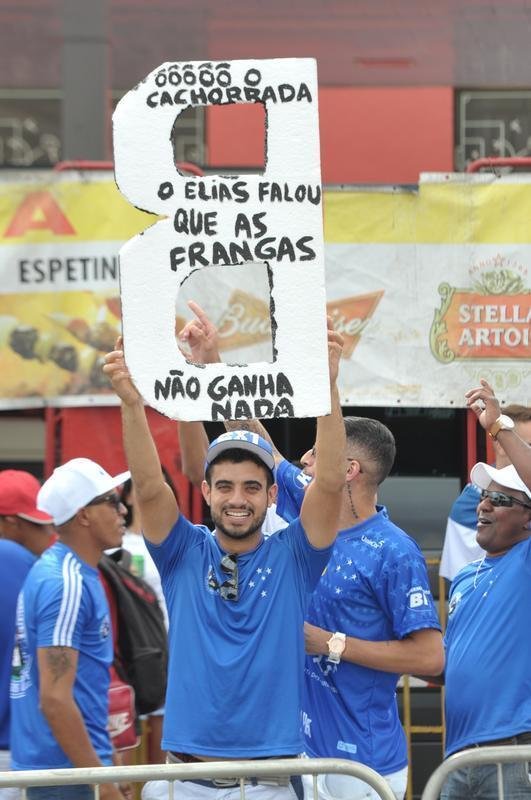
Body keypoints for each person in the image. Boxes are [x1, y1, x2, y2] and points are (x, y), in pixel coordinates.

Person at [175, 305, 444, 800]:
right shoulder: (304, 497)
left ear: (348, 469)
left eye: (316, 454)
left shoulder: (394, 550)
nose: (302, 458)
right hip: (298, 754)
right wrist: (211, 362)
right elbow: (257, 443)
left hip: (362, 764)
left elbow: (429, 657)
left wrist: (329, 643)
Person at [103, 323, 346, 800]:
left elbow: (331, 484)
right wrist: (131, 404)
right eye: (226, 486)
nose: (238, 499)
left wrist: (328, 387)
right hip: (185, 782)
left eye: (252, 487)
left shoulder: (294, 555)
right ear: (207, 492)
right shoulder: (182, 551)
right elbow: (149, 487)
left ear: (272, 496)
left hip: (269, 786)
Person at [10, 458, 130, 800]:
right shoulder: (66, 582)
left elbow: (79, 687)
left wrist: (106, 757)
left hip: (67, 768)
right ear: (84, 515)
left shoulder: (69, 572)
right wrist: (101, 783)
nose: (123, 510)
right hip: (64, 774)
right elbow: (55, 699)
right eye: (112, 501)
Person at [442, 459, 531, 799]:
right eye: (484, 496)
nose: (483, 506)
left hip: (515, 752)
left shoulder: (525, 559)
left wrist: (500, 432)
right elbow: (444, 664)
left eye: (500, 500)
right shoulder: (465, 577)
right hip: (459, 757)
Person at [440, 385, 531, 581]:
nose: (485, 504)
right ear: (501, 443)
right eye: (527, 447)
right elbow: (463, 580)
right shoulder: (470, 501)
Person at [0, 470, 54, 800]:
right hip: (17, 751)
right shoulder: (22, 562)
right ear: (9, 522)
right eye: (36, 524)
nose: (48, 533)